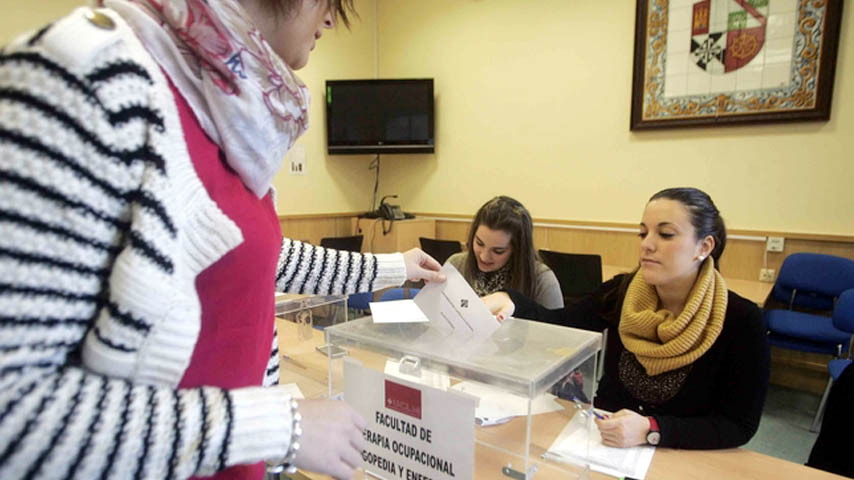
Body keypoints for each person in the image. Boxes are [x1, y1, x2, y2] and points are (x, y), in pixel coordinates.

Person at [0, 1, 443, 479]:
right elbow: (14, 418)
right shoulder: (83, 76)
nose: (332, 19)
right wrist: (279, 425)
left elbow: (251, 259)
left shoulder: (217, 101)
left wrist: (394, 267)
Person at [484, 188, 770, 450]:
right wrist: (511, 301)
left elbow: (737, 425)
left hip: (678, 454)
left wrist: (652, 429)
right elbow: (560, 324)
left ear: (704, 247)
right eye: (643, 233)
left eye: (666, 234)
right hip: (601, 443)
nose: (647, 245)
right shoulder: (621, 293)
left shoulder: (741, 321)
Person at [447, 196, 563, 309]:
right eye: (479, 243)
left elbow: (555, 328)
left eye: (498, 251)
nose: (484, 257)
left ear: (517, 250)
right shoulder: (456, 264)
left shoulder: (542, 281)